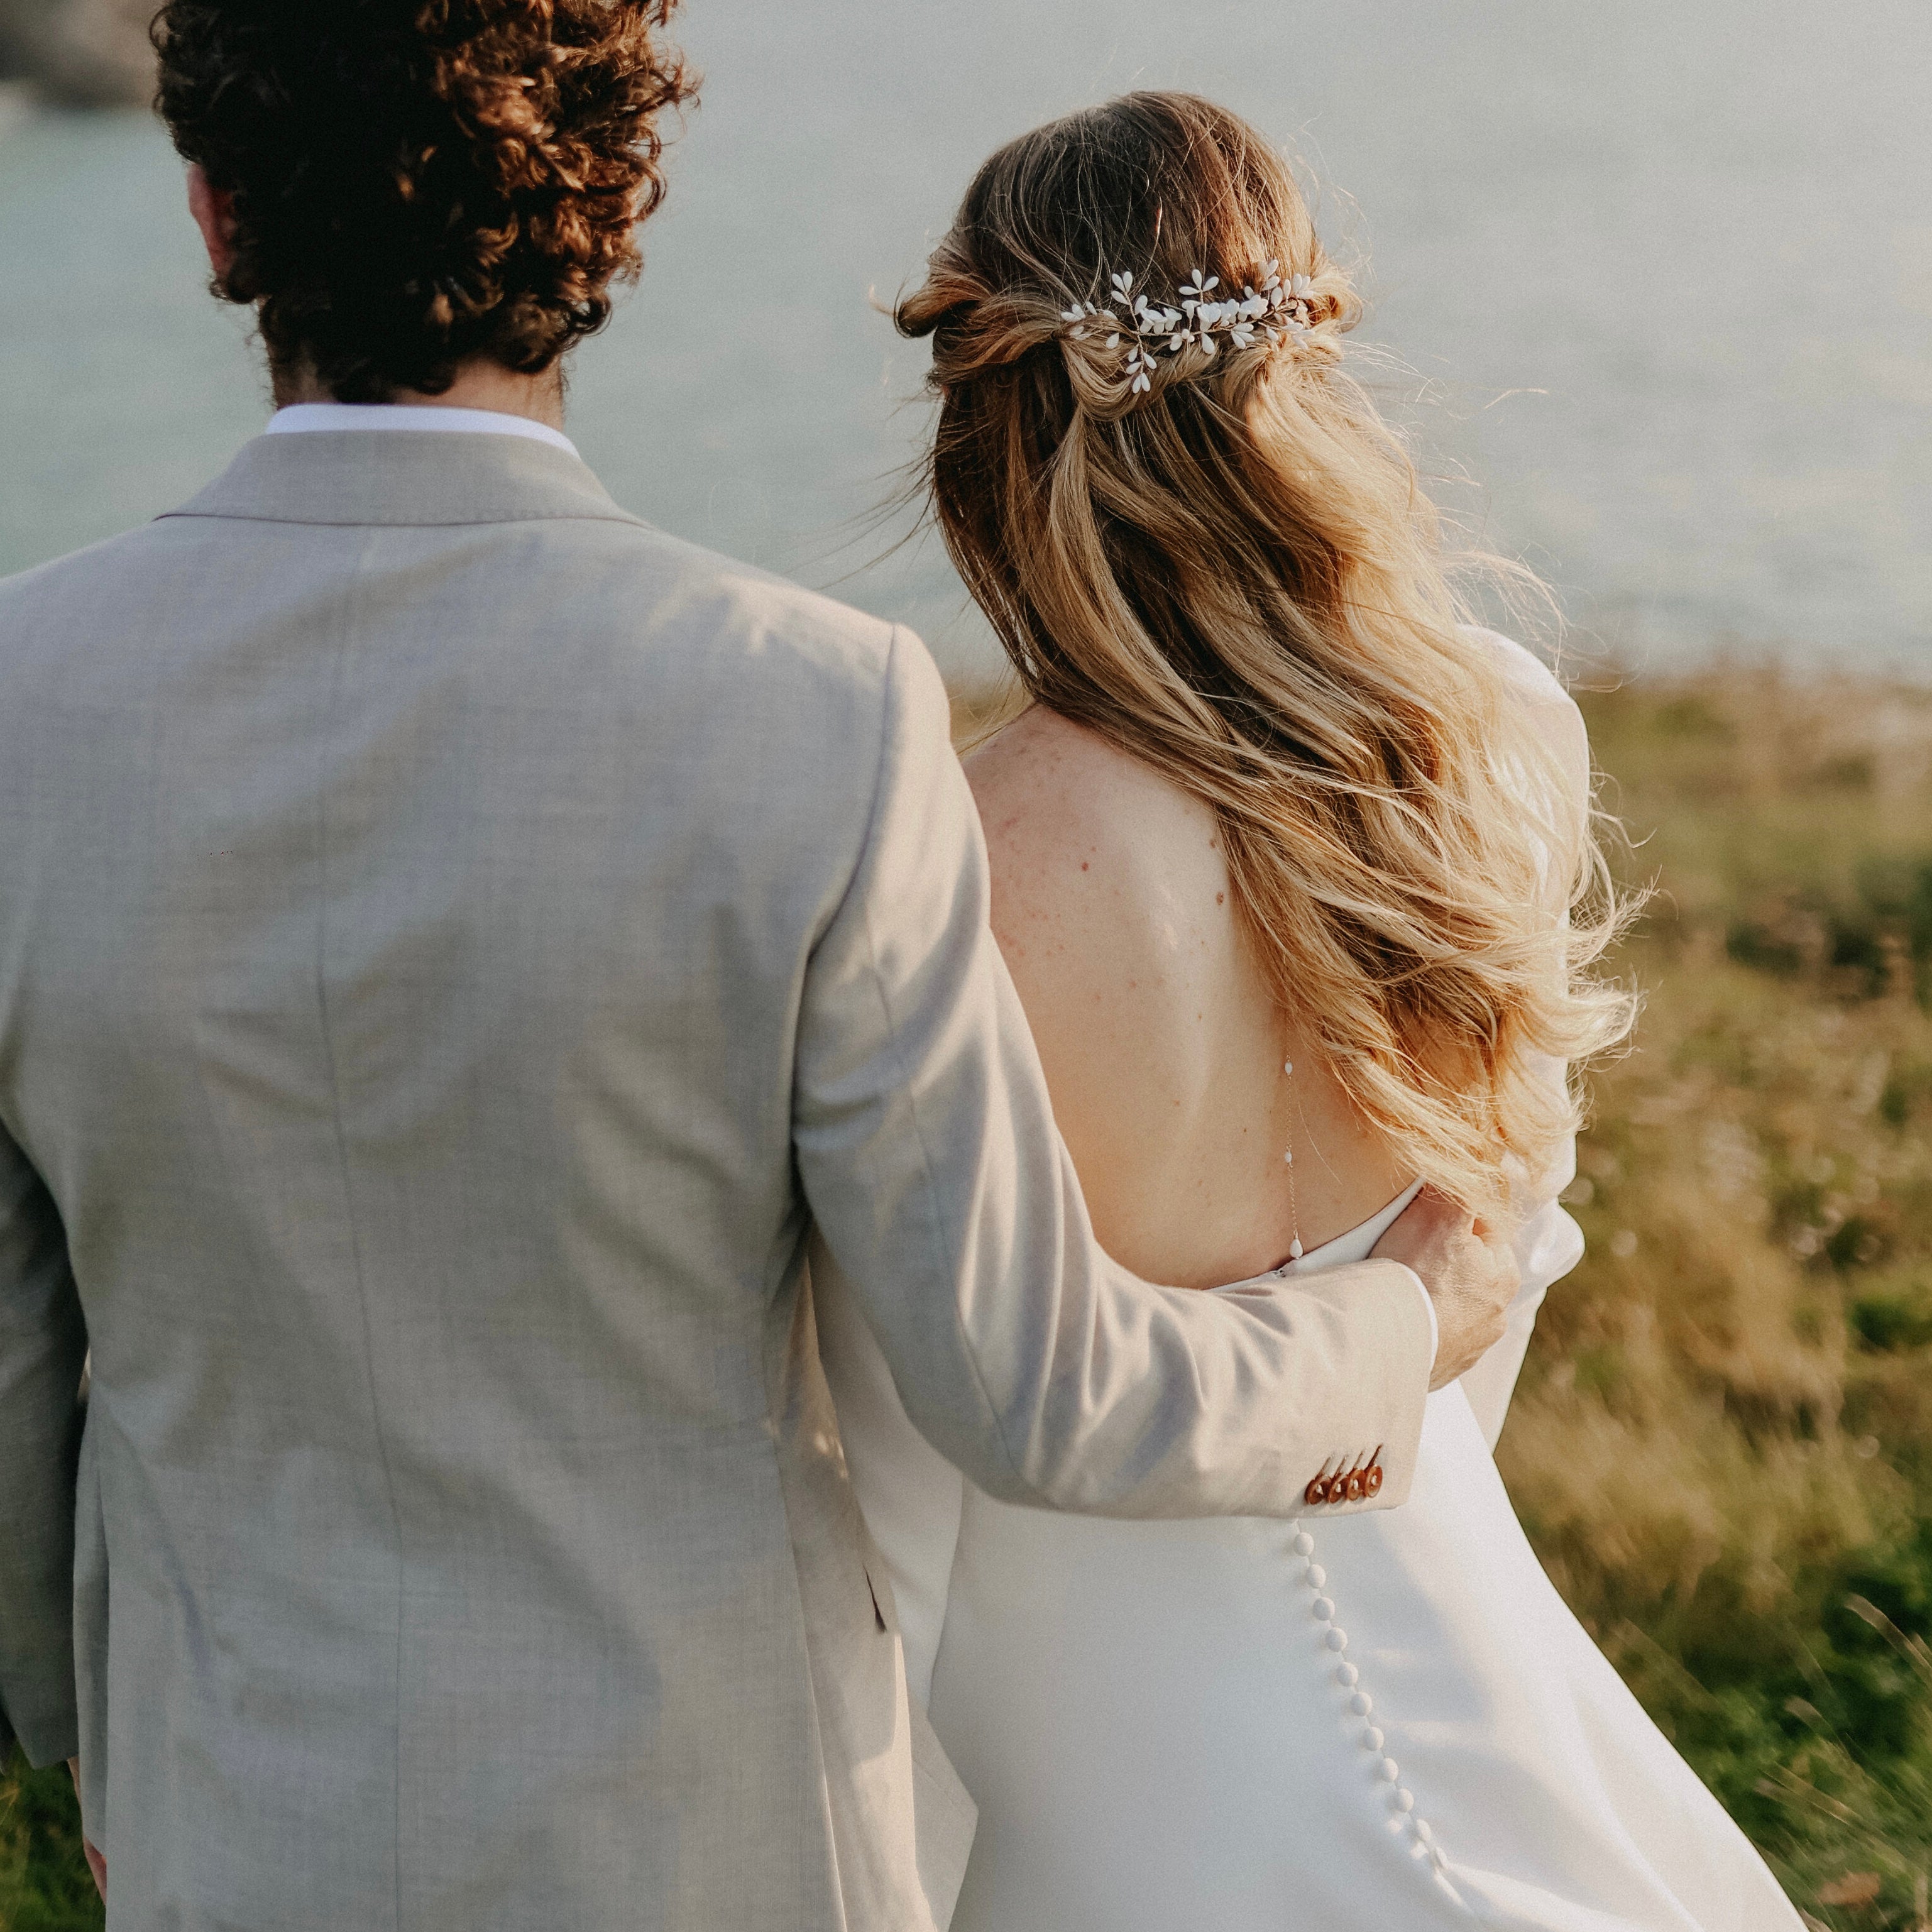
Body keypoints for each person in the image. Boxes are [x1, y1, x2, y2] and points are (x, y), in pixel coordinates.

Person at [0, 16, 1521, 1932]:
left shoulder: (21, 707)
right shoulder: (811, 710)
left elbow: (17, 1388)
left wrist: (92, 1748)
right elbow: (1038, 1385)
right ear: (609, 222)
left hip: (232, 1842)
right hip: (711, 1855)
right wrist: (1396, 1325)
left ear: (217, 215)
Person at [817, 92, 1807, 1929]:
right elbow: (1490, 1273)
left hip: (1115, 1780)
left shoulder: (957, 855)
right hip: (1465, 1646)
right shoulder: (1492, 739)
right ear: (1307, 372)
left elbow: (894, 1431)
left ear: (982, 431)